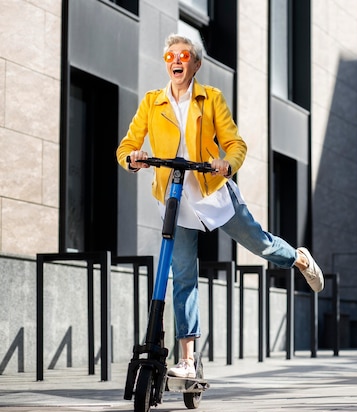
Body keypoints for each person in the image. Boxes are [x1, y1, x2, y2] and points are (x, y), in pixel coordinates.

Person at [116, 33, 324, 379]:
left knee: (259, 243)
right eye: (170, 57)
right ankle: (187, 358)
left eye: (184, 56)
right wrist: (133, 158)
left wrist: (227, 163)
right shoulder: (152, 102)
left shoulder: (210, 99)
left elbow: (235, 143)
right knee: (182, 275)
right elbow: (127, 144)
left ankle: (299, 258)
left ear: (196, 64)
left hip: (212, 193)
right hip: (174, 198)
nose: (177, 61)